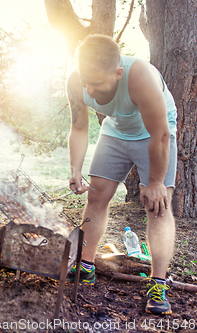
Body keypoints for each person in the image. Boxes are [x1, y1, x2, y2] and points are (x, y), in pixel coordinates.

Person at [66, 35, 177, 315]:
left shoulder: (140, 76)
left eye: (98, 83)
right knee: (97, 195)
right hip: (115, 130)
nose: (90, 89)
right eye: (86, 82)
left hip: (155, 134)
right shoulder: (77, 81)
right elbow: (79, 128)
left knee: (159, 207)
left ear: (118, 73)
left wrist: (154, 183)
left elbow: (160, 135)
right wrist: (75, 168)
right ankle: (86, 265)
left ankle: (158, 284)